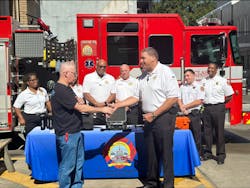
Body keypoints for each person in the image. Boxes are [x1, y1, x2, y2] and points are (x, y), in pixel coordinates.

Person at [113, 47, 179, 188]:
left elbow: (173, 98)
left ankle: (168, 184)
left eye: (143, 58)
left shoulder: (165, 72)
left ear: (153, 58)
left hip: (163, 118)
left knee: (166, 153)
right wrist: (118, 105)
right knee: (151, 152)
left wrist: (154, 114)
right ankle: (152, 182)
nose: (140, 61)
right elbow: (136, 97)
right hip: (148, 118)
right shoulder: (143, 76)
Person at [51, 60, 113, 188]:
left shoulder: (67, 88)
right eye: (74, 73)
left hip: (75, 131)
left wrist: (79, 101)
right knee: (68, 165)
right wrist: (102, 109)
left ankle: (77, 185)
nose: (76, 76)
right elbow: (81, 108)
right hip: (67, 132)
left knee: (78, 163)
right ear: (66, 73)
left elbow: (78, 103)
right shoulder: (61, 90)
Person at [201, 62, 234, 165]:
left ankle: (220, 155)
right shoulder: (204, 81)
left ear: (216, 70)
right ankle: (208, 152)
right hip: (206, 108)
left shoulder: (222, 81)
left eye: (212, 68)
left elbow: (229, 95)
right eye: (208, 68)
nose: (209, 70)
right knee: (207, 132)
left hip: (218, 108)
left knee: (219, 132)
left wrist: (222, 104)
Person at [178, 69, 205, 156]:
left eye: (188, 75)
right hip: (184, 114)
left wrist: (185, 106)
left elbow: (199, 101)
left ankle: (197, 154)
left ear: (194, 76)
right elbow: (179, 98)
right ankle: (187, 154)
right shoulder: (182, 87)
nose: (186, 78)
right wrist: (182, 107)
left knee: (196, 135)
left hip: (194, 114)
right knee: (185, 135)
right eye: (185, 76)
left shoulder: (199, 86)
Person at [82, 59, 115, 124]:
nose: (102, 68)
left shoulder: (111, 78)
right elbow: (86, 94)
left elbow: (113, 94)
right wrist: (97, 104)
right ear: (96, 66)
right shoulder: (88, 77)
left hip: (107, 110)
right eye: (100, 66)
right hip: (93, 110)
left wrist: (105, 103)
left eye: (104, 67)